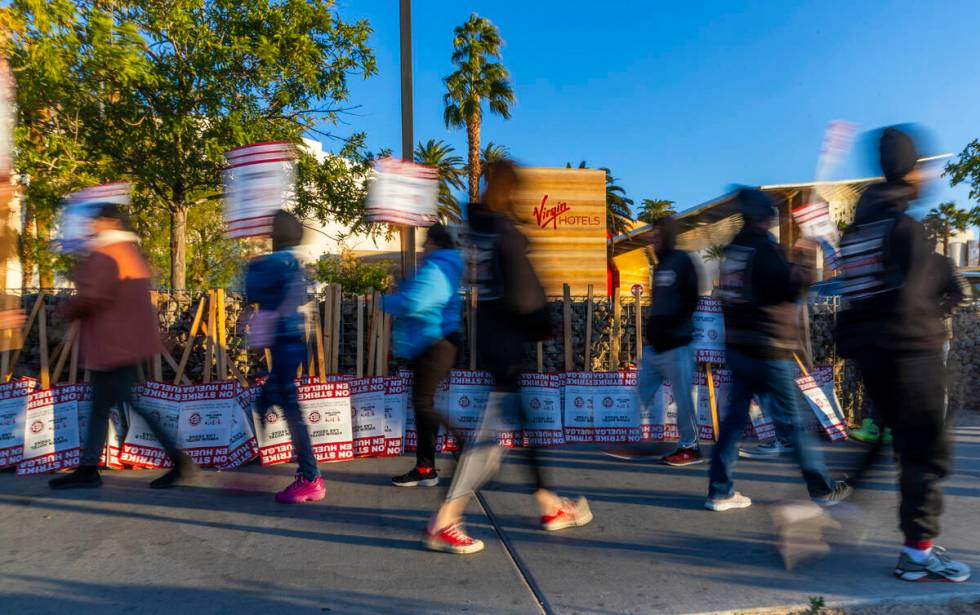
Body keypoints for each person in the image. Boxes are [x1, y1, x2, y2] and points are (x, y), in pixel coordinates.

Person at [424, 160, 592, 555]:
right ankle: (444, 521)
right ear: (512, 190)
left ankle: (549, 503)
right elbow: (524, 294)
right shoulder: (503, 232)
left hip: (491, 337)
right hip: (507, 344)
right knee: (485, 444)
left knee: (525, 424)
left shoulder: (478, 231)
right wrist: (541, 323)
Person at [836, 126, 970, 582]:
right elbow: (912, 304)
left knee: (900, 449)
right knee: (926, 455)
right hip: (911, 356)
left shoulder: (857, 232)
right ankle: (918, 553)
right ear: (911, 169)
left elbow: (859, 297)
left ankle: (896, 529)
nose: (929, 174)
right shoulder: (905, 228)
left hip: (875, 355)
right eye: (926, 166)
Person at [707, 188, 850, 512]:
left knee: (732, 423)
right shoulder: (763, 249)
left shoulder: (734, 250)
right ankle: (822, 487)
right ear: (763, 217)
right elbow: (791, 288)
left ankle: (720, 490)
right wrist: (805, 251)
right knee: (792, 424)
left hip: (738, 347)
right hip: (769, 347)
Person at [50, 203, 194, 490]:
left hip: (111, 344)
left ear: (110, 222)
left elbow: (92, 296)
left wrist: (67, 308)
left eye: (96, 221)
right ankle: (89, 467)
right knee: (101, 406)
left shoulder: (106, 254)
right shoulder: (131, 253)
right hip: (126, 343)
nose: (91, 226)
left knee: (126, 404)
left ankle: (179, 461)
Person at [245, 210, 324, 504]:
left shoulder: (274, 263)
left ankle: (310, 477)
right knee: (266, 399)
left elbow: (252, 289)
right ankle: (264, 467)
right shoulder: (301, 261)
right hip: (296, 343)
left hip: (285, 342)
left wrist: (253, 258)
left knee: (290, 409)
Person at [382, 223, 464, 487]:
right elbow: (420, 295)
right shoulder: (442, 266)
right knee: (423, 404)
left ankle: (463, 443)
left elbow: (414, 303)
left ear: (435, 243)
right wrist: (403, 283)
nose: (423, 248)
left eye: (426, 243)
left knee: (423, 403)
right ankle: (425, 467)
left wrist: (385, 301)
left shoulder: (437, 266)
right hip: (433, 342)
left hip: (433, 342)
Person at [635, 216, 702, 466]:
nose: (652, 238)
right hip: (656, 348)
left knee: (683, 400)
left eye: (657, 234)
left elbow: (691, 298)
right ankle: (636, 442)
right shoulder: (660, 266)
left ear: (668, 236)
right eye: (652, 234)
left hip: (678, 345)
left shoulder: (682, 261)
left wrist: (673, 327)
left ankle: (690, 447)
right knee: (639, 391)